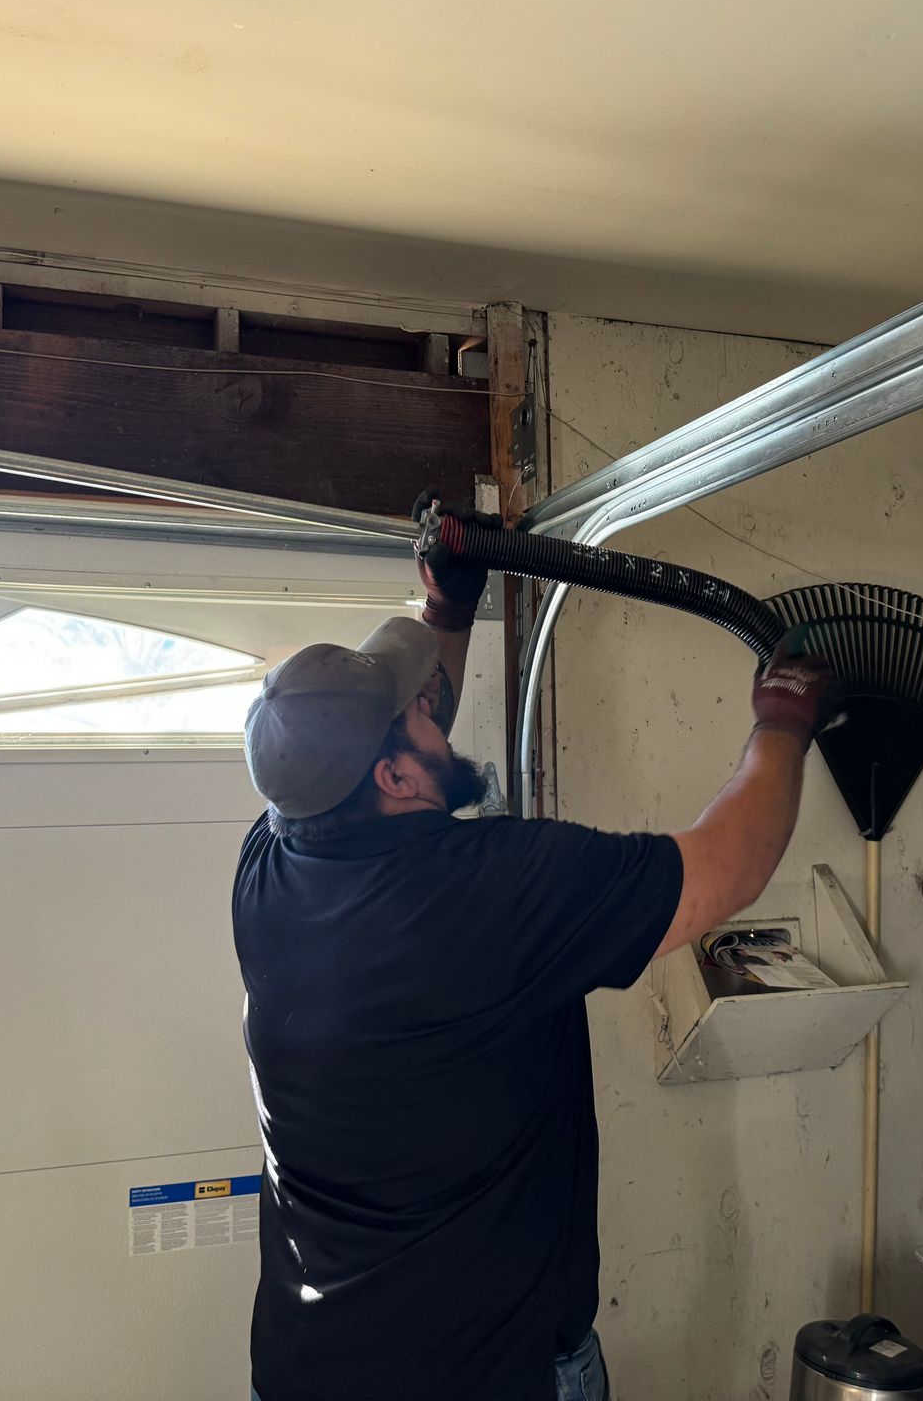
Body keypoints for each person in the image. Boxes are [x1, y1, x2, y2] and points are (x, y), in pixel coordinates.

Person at [233, 513, 844, 1401]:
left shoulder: (271, 862)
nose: (435, 707)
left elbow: (393, 749)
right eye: (419, 710)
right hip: (483, 1379)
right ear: (394, 779)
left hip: (305, 1370)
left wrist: (448, 609)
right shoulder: (482, 895)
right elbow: (730, 865)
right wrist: (783, 718)